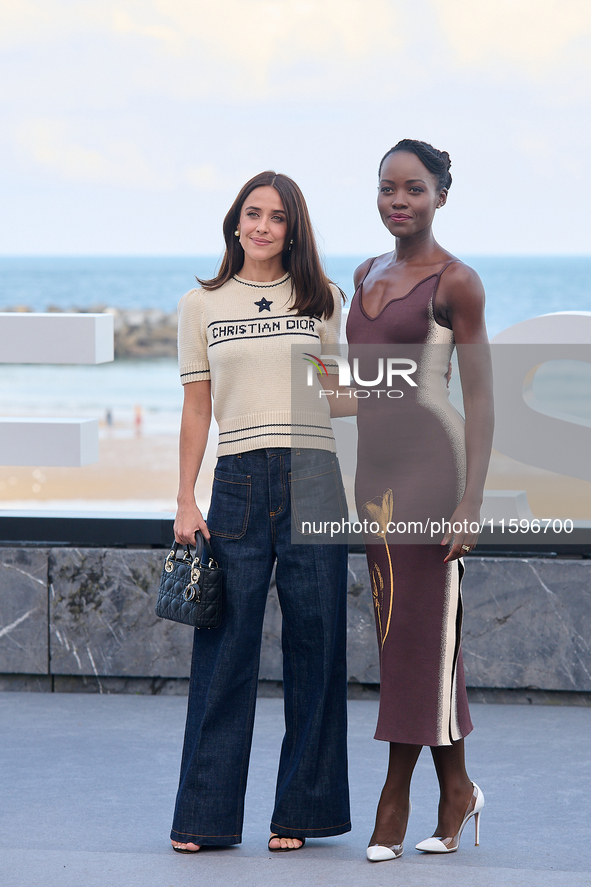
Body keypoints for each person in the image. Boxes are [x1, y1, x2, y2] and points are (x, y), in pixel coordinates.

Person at [170, 170, 351, 854]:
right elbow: (197, 407)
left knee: (317, 644)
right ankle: (203, 818)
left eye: (277, 217)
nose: (263, 226)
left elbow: (340, 398)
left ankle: (300, 814)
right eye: (253, 213)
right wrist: (185, 495)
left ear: (292, 229)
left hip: (314, 473)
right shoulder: (200, 304)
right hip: (237, 481)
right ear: (235, 221)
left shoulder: (324, 298)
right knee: (225, 651)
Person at [346, 140, 494, 860]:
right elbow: (362, 382)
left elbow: (481, 396)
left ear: (439, 195)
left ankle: (393, 798)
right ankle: (459, 787)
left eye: (412, 189)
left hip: (434, 471)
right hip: (372, 478)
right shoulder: (363, 272)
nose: (397, 200)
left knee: (415, 635)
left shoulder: (456, 281)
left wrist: (470, 503)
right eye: (386, 188)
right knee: (412, 634)